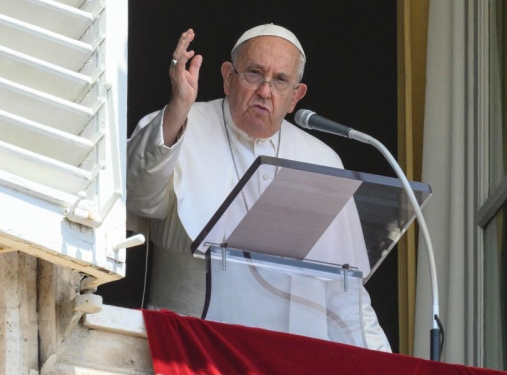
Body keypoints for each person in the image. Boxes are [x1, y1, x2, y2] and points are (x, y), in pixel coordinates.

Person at [127, 24, 391, 351]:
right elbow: (138, 198)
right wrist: (178, 107)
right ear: (227, 77)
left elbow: (343, 287)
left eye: (280, 80)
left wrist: (382, 359)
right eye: (254, 73)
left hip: (291, 356)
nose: (265, 91)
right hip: (192, 347)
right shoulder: (180, 125)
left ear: (296, 96)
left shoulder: (323, 160)